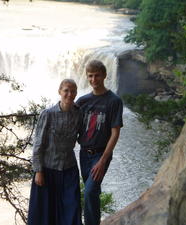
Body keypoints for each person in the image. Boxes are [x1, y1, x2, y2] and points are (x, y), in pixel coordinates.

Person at [27, 79, 82, 225]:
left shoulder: (78, 114)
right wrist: (38, 171)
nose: (69, 94)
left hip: (69, 169)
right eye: (66, 91)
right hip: (48, 169)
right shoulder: (48, 114)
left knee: (72, 208)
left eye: (73, 91)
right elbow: (38, 144)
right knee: (45, 213)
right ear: (60, 92)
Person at [76, 60, 123, 225]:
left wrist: (103, 160)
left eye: (97, 75)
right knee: (93, 191)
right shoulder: (82, 101)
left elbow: (115, 133)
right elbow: (71, 125)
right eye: (90, 76)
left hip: (101, 154)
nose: (93, 79)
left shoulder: (114, 101)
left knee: (89, 192)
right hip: (83, 153)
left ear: (104, 75)